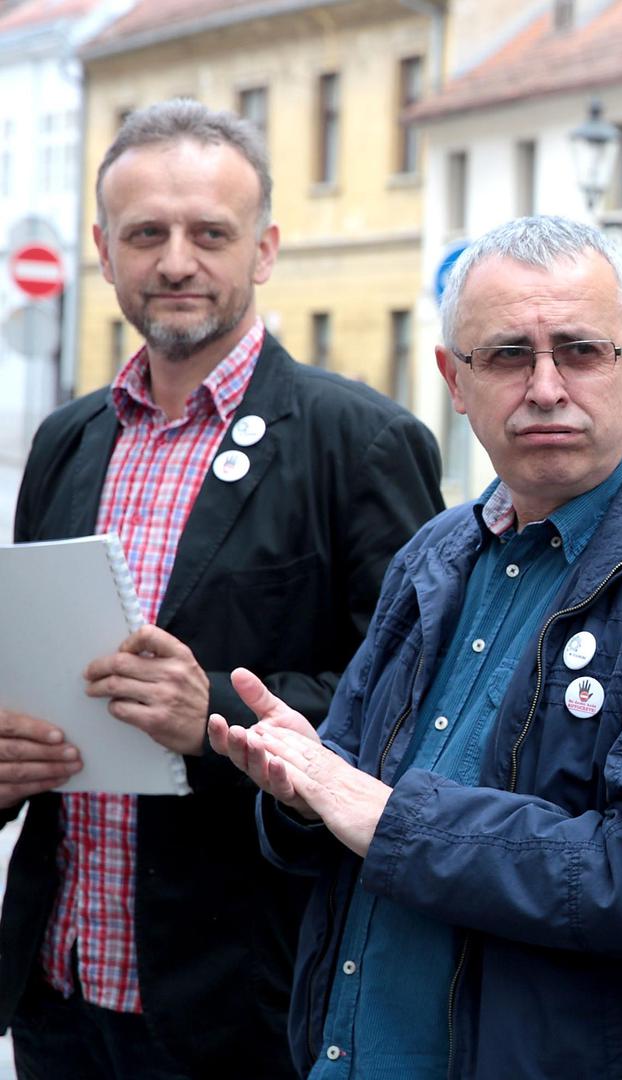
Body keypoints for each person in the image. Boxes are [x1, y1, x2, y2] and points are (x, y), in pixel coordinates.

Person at [207, 215, 622, 1079]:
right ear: (455, 378)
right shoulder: (437, 553)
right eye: (509, 355)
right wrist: (304, 788)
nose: (546, 387)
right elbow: (351, 796)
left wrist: (389, 818)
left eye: (581, 351)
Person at [0, 99, 443, 1078]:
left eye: (210, 234)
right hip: (58, 979)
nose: (176, 261)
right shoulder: (67, 441)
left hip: (244, 998)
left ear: (264, 249)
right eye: (144, 234)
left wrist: (211, 718)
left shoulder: (360, 443)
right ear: (103, 252)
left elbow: (417, 710)